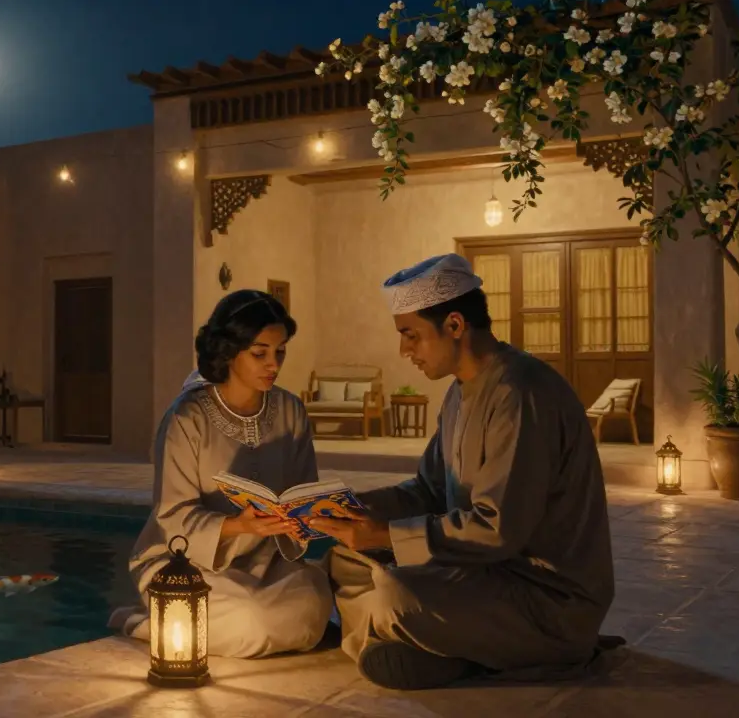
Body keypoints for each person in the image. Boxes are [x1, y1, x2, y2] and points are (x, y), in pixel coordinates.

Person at [308, 253, 618, 691]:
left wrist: (385, 536)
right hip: (483, 579)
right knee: (342, 558)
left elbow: (497, 530)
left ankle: (474, 652)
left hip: (544, 600)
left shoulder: (520, 394)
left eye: (411, 336)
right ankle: (451, 650)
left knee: (396, 591)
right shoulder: (457, 396)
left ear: (454, 325)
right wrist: (350, 510)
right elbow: (428, 491)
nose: (404, 351)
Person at [109, 289, 333, 658]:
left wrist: (302, 518)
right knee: (250, 621)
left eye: (280, 352)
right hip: (184, 563)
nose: (273, 364)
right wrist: (240, 525)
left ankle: (197, 625)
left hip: (266, 561)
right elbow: (173, 516)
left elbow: (302, 492)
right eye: (260, 353)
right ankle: (149, 624)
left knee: (313, 605)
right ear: (229, 352)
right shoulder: (187, 418)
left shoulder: (291, 410)